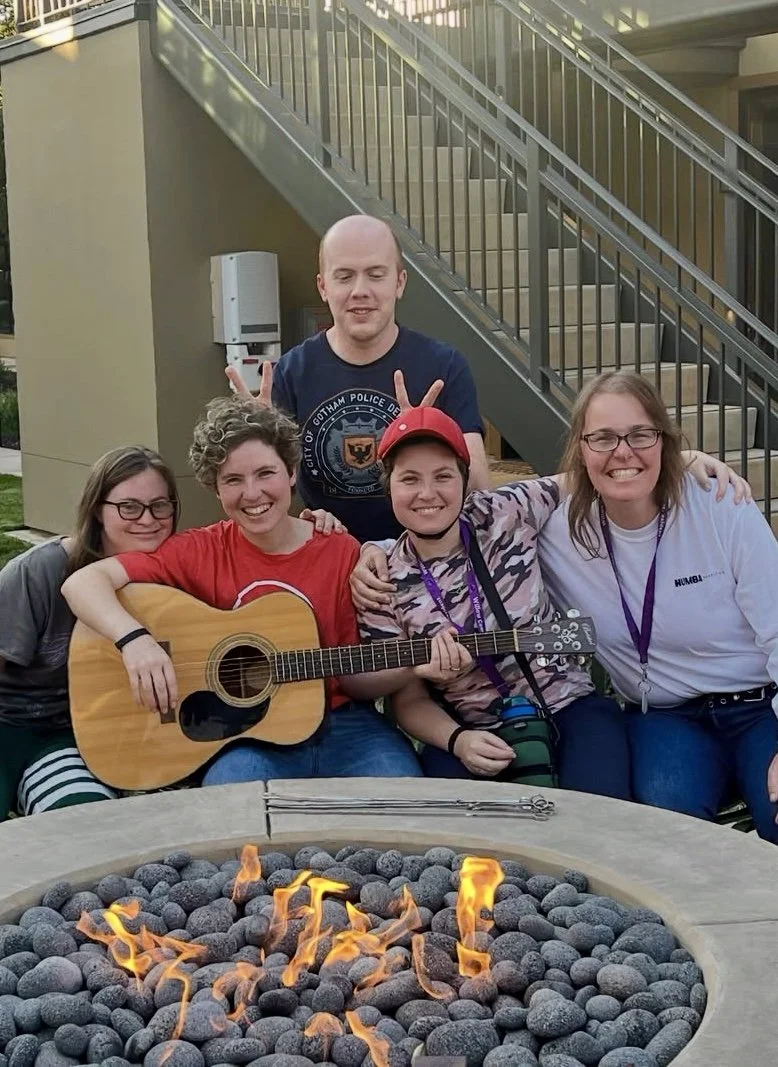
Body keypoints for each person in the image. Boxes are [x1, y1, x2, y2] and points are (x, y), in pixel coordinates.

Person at [61, 397, 429, 785]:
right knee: (229, 805)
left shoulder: (339, 549)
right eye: (233, 480)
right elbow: (82, 583)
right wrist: (134, 641)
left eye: (265, 473)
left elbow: (354, 676)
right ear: (216, 490)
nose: (252, 494)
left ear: (290, 472)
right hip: (250, 739)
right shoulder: (198, 551)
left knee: (404, 797)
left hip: (347, 726)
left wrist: (413, 662)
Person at [536, 371, 778, 843]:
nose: (623, 451)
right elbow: (454, 516)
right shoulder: (557, 533)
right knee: (668, 832)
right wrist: (372, 553)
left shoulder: (720, 505)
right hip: (665, 716)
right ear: (580, 449)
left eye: (641, 435)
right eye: (603, 438)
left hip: (760, 706)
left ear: (664, 441)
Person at [355, 406, 634, 795]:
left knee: (601, 811)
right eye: (409, 479)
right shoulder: (382, 579)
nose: (427, 494)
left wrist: (691, 460)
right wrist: (457, 740)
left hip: (567, 702)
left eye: (443, 476)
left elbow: (595, 474)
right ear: (389, 488)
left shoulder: (505, 510)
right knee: (456, 832)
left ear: (464, 480)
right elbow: (408, 701)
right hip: (467, 728)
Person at [229, 214, 490, 543]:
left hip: (422, 557)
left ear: (399, 282)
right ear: (323, 286)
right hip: (330, 555)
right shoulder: (292, 372)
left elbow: (479, 486)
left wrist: (426, 437)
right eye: (344, 276)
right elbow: (267, 492)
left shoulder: (443, 367)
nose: (360, 291)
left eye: (376, 275)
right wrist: (254, 440)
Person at [0, 446, 178, 820]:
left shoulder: (171, 580)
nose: (148, 519)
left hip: (71, 737)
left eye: (160, 505)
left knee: (85, 822)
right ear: (98, 509)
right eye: (129, 506)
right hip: (8, 724)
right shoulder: (38, 572)